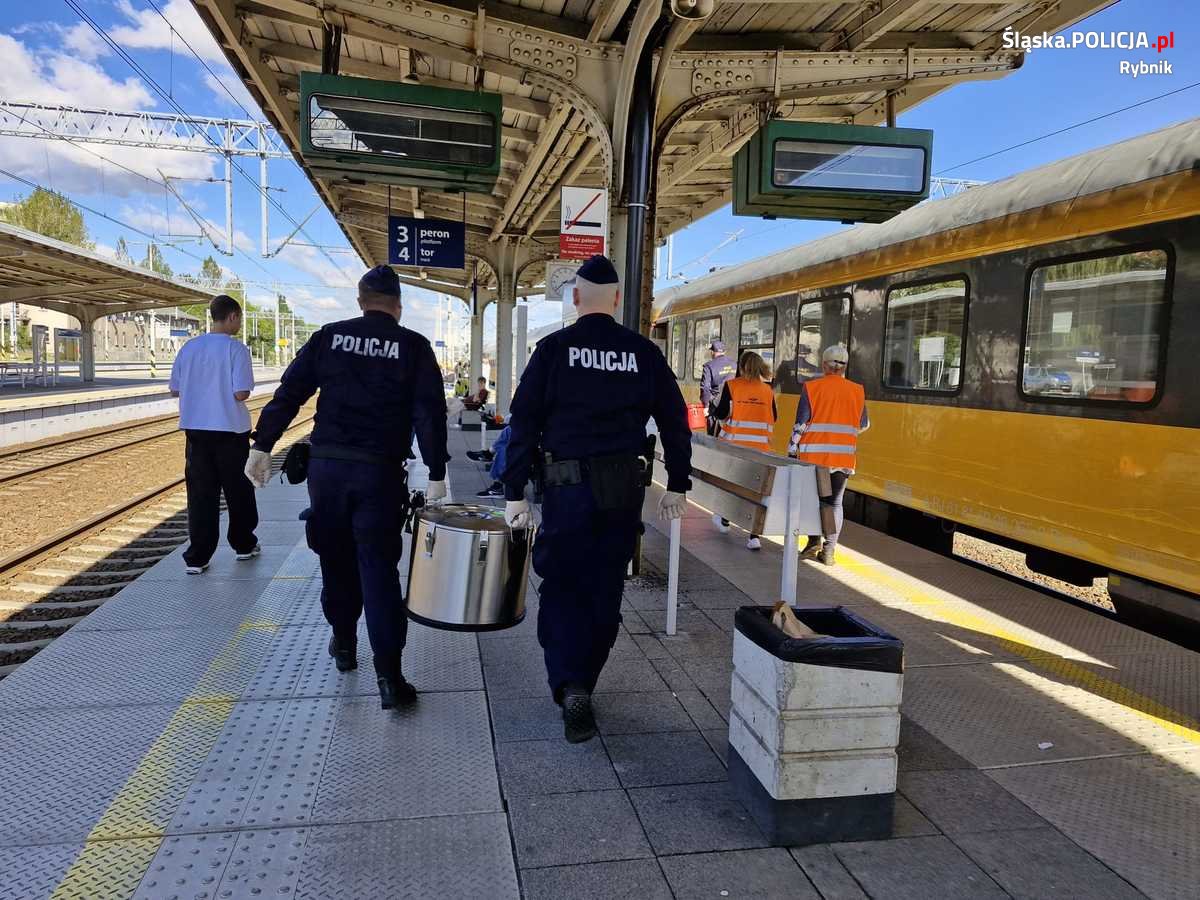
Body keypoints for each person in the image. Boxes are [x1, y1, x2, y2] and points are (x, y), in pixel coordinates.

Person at [500, 255, 692, 744]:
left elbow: (523, 422)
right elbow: (675, 420)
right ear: (619, 301)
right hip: (621, 494)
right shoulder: (642, 353)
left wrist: (513, 491)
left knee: (563, 586)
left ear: (578, 298)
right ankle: (585, 680)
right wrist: (680, 484)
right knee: (605, 590)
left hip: (567, 494)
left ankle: (569, 685)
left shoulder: (553, 350)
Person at [243, 265, 450, 711]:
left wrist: (262, 445)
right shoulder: (413, 346)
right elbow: (428, 414)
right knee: (378, 570)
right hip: (378, 474)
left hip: (328, 471)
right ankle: (390, 678)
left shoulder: (329, 337)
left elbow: (290, 393)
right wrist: (436, 472)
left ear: (360, 300)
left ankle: (343, 645)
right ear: (398, 305)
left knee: (336, 562)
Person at [168, 294, 260, 575]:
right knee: (238, 493)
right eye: (239, 318)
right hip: (230, 431)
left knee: (200, 495)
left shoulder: (189, 348)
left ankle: (198, 557)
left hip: (196, 432)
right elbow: (241, 392)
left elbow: (175, 389)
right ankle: (244, 545)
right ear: (232, 316)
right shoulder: (236, 350)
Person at [787, 345, 869, 566]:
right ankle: (829, 550)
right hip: (843, 458)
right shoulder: (857, 390)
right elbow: (863, 424)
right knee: (835, 503)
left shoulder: (812, 388)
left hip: (814, 457)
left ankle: (813, 541)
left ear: (824, 365)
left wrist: (792, 450)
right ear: (844, 367)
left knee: (813, 500)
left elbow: (801, 423)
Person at [711, 351, 777, 551]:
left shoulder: (733, 386)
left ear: (741, 367)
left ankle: (725, 519)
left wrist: (716, 410)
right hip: (759, 448)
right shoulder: (768, 391)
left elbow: (721, 413)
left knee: (731, 484)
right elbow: (773, 417)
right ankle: (754, 537)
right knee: (756, 492)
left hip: (735, 445)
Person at [699, 340, 736, 435]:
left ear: (712, 352)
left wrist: (706, 405)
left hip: (716, 405)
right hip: (734, 405)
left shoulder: (709, 366)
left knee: (713, 435)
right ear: (724, 351)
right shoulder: (734, 364)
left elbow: (705, 388)